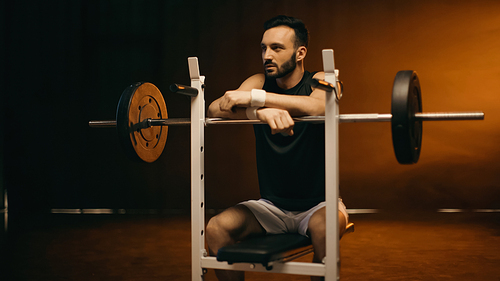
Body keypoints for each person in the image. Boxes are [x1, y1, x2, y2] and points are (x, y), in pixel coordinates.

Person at [206, 15, 349, 281]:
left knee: (325, 230)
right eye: (264, 48)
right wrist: (260, 113)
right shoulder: (259, 80)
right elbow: (216, 108)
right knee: (216, 229)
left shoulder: (320, 79)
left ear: (300, 52)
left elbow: (318, 106)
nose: (267, 55)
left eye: (277, 48)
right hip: (271, 208)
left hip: (318, 205)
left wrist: (255, 99)